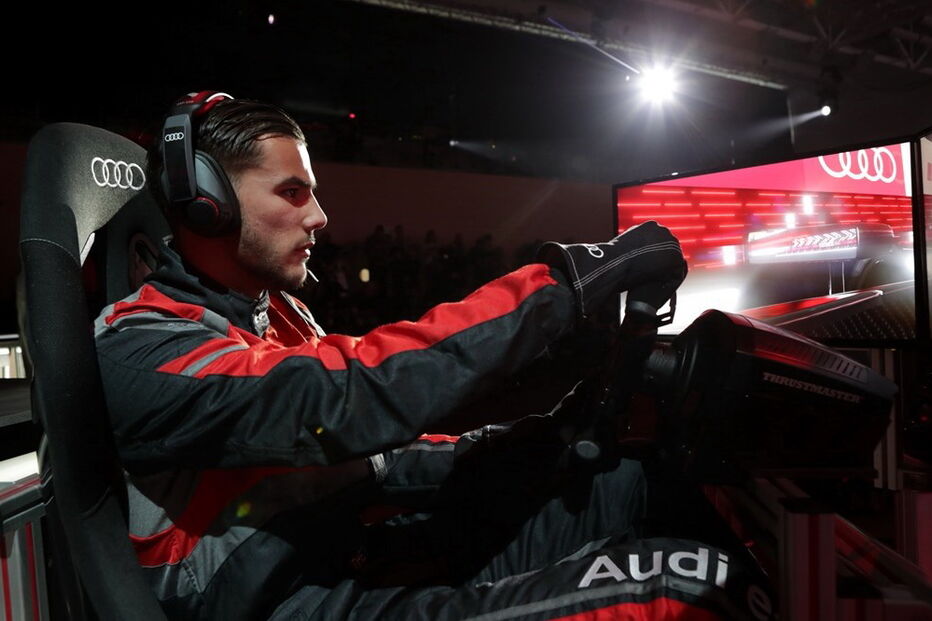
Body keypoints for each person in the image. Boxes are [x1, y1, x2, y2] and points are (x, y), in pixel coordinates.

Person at [94, 91, 773, 620]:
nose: (320, 216)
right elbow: (350, 394)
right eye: (292, 191)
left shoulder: (274, 312)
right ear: (206, 202)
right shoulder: (142, 347)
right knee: (689, 590)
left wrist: (547, 441)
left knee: (629, 480)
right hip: (290, 604)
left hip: (355, 558)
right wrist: (565, 284)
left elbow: (379, 455)